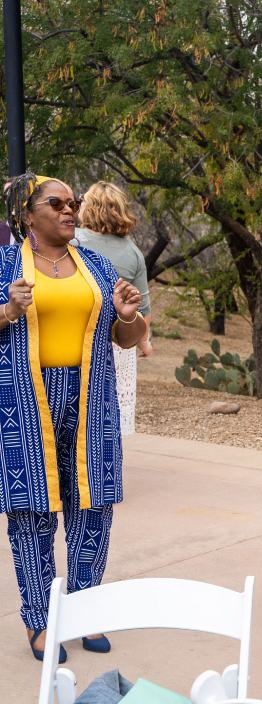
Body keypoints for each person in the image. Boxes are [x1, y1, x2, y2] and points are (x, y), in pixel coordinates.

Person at [0, 173, 147, 662]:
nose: (70, 209)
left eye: (74, 202)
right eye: (56, 202)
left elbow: (125, 339)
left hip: (91, 399)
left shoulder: (98, 268)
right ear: (26, 214)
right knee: (33, 511)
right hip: (25, 400)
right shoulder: (3, 266)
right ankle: (40, 620)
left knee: (93, 506)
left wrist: (128, 315)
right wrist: (6, 311)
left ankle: (85, 609)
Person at [75, 182, 152, 437]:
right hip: (120, 344)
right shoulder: (133, 253)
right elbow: (143, 305)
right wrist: (143, 342)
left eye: (82, 200)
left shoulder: (73, 240)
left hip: (80, 337)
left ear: (92, 208)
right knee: (107, 419)